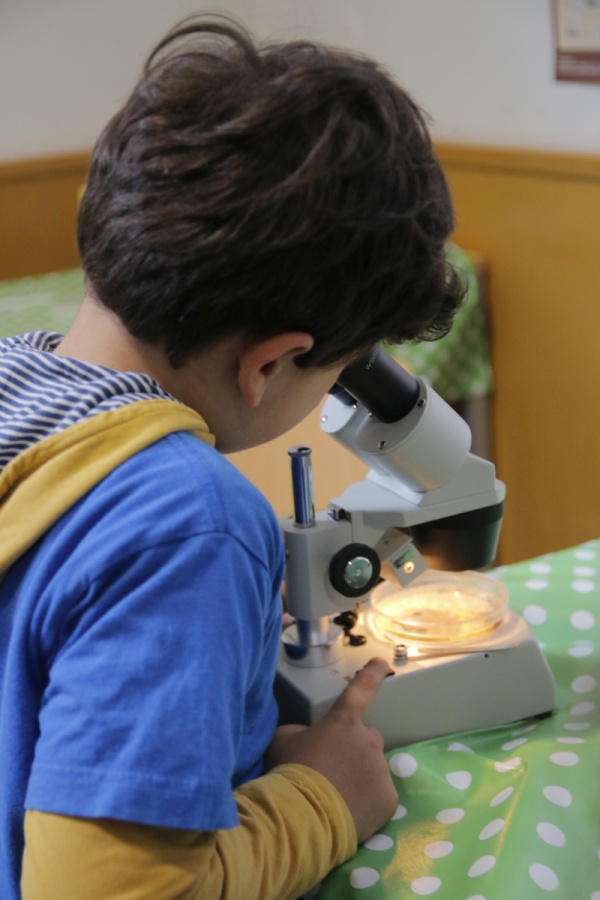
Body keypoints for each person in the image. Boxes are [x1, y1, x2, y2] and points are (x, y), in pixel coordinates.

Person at [0, 14, 464, 899]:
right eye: (333, 372)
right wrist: (327, 796)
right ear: (269, 364)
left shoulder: (17, 390)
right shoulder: (190, 523)